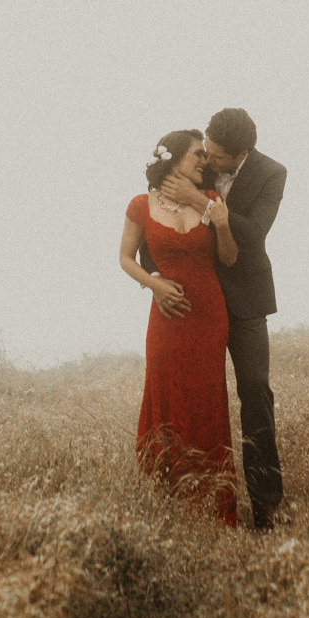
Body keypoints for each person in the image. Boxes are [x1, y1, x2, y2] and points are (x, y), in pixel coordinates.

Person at [154, 107, 285, 530]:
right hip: (196, 302)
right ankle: (190, 501)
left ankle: (267, 506)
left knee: (254, 394)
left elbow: (253, 234)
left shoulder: (271, 174)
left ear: (240, 154)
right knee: (193, 399)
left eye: (216, 157)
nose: (206, 162)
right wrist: (155, 280)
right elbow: (154, 220)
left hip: (246, 303)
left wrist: (201, 203)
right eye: (204, 151)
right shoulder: (197, 161)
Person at [119, 128, 240, 526]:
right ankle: (166, 505)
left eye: (206, 156)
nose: (204, 161)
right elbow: (125, 258)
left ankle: (214, 509)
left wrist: (220, 223)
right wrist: (154, 285)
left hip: (209, 316)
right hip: (167, 319)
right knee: (165, 398)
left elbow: (229, 259)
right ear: (173, 161)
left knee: (207, 403)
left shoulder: (212, 201)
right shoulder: (141, 204)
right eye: (196, 155)